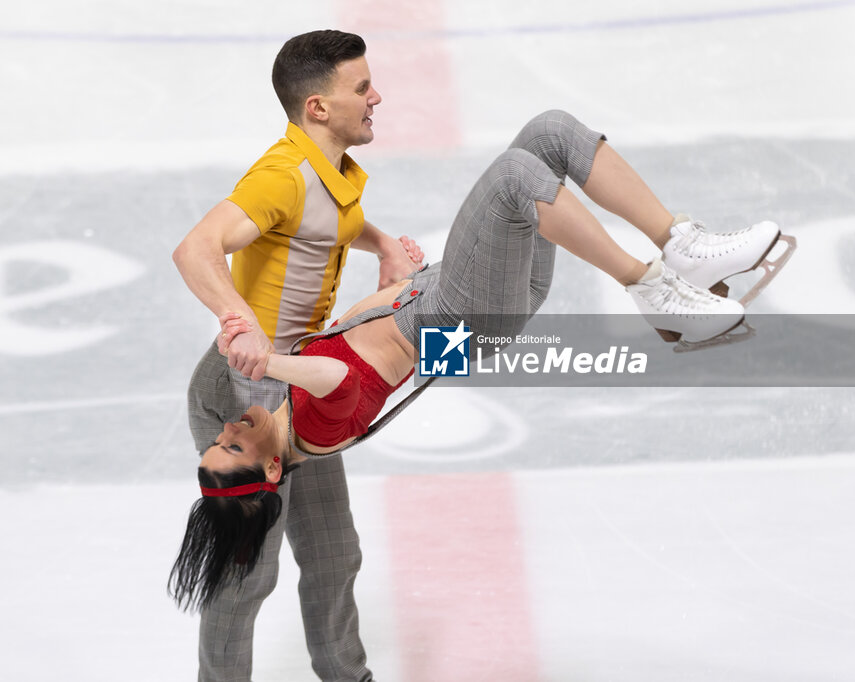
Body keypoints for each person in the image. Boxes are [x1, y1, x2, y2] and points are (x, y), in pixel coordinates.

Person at [169, 109, 784, 623]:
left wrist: (400, 278)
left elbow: (369, 350)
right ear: (272, 465)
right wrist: (269, 357)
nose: (227, 428)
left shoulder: (291, 416)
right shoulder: (312, 429)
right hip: (456, 314)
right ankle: (650, 286)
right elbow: (339, 376)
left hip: (456, 313)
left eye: (216, 441)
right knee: (517, 174)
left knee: (547, 135)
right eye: (231, 445)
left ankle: (682, 244)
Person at [171, 30, 423, 682]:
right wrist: (239, 321)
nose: (376, 96)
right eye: (361, 88)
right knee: (249, 571)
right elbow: (195, 248)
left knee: (335, 553)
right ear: (318, 107)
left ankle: (347, 674)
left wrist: (382, 245)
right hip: (241, 390)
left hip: (297, 382)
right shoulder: (282, 176)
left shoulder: (329, 168)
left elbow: (328, 222)